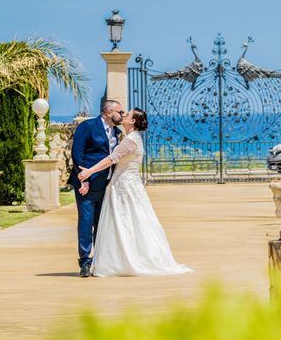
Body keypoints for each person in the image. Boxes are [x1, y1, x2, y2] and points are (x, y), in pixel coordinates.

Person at [77, 108, 191, 277]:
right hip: (128, 184)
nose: (124, 116)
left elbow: (111, 159)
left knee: (123, 221)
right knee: (130, 220)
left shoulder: (130, 140)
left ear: (133, 122)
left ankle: (124, 260)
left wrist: (88, 172)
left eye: (128, 115)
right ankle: (124, 258)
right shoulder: (133, 138)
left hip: (123, 185)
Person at [68, 100, 124, 278]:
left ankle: (99, 260)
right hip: (87, 185)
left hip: (106, 185)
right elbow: (77, 154)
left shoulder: (117, 131)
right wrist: (83, 179)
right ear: (108, 112)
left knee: (101, 224)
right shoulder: (88, 126)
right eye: (119, 112)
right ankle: (85, 262)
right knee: (86, 222)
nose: (121, 115)